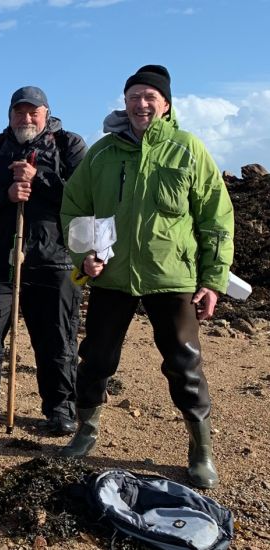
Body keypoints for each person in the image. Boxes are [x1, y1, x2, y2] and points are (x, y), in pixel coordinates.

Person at [59, 65, 234, 489]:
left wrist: (212, 279)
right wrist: (84, 259)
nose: (141, 104)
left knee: (184, 363)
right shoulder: (102, 154)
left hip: (172, 276)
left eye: (150, 97)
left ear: (166, 104)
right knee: (97, 358)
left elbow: (215, 217)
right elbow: (74, 210)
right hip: (112, 276)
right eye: (134, 96)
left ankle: (200, 450)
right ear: (125, 102)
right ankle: (86, 431)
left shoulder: (188, 150)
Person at [0, 86, 87, 434]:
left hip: (55, 260)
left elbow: (85, 195)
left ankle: (60, 408)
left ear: (46, 113)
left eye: (33, 112)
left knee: (57, 338)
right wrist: (6, 194)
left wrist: (37, 178)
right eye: (19, 112)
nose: (26, 118)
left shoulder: (70, 144)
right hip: (1, 258)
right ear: (10, 115)